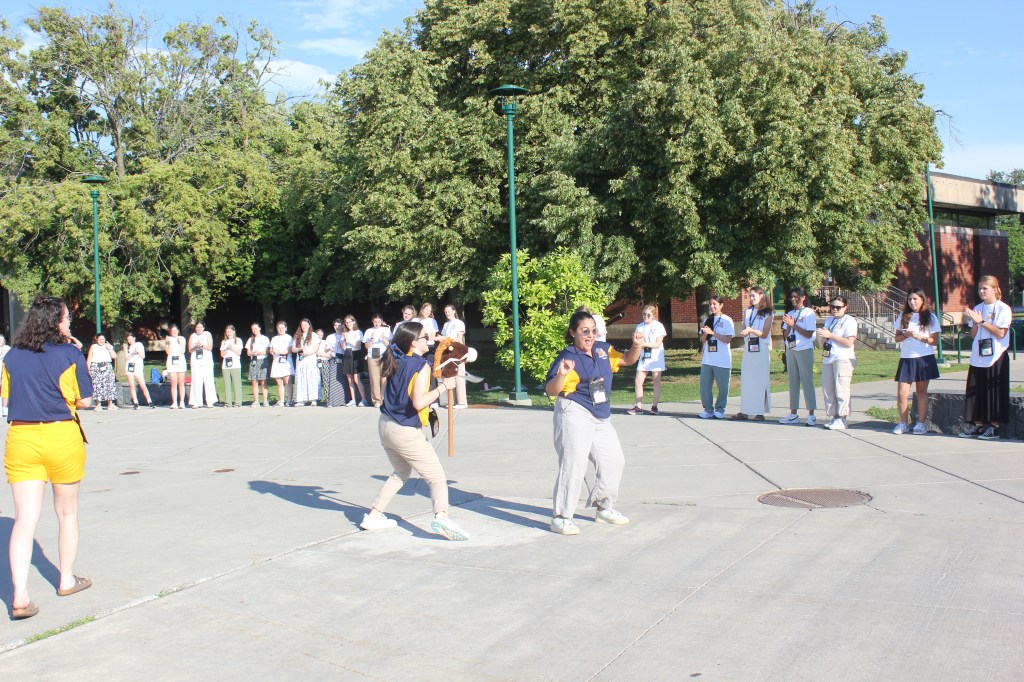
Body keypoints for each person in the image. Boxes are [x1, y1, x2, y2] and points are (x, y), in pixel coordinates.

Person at [2, 295, 94, 620]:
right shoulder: (70, 353)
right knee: (67, 512)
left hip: (22, 438)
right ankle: (66, 579)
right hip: (60, 435)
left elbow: (6, 396)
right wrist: (74, 351)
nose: (70, 323)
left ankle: (20, 596)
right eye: (67, 318)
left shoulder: (12, 356)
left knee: (24, 518)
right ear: (57, 321)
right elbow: (85, 400)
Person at [358, 322, 469, 541]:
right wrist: (443, 387)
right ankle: (442, 517)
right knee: (436, 477)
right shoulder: (421, 365)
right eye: (423, 337)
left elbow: (388, 391)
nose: (428, 338)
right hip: (405, 431)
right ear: (413, 343)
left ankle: (374, 516)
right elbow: (419, 402)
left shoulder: (395, 359)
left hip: (385, 425)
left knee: (401, 472)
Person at [544, 310, 644, 535]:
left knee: (614, 460)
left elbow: (627, 359)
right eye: (584, 331)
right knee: (574, 464)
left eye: (593, 331)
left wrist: (636, 345)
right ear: (573, 333)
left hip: (600, 414)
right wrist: (562, 374)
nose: (590, 335)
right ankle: (561, 517)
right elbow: (551, 390)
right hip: (574, 411)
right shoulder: (567, 356)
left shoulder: (602, 349)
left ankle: (603, 508)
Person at [960, 275, 1012, 440]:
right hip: (979, 355)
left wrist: (982, 321)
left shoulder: (1003, 308)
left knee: (993, 392)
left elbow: (1001, 333)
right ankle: (978, 424)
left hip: (996, 356)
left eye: (985, 288)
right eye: (979, 288)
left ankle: (994, 427)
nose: (981, 291)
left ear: (995, 289)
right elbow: (973, 334)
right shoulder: (978, 307)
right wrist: (975, 323)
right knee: (976, 392)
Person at [893, 288, 941, 435]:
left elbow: (935, 341)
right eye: (910, 299)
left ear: (922, 300)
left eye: (915, 299)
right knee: (902, 393)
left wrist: (919, 336)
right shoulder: (903, 316)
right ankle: (903, 423)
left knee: (921, 392)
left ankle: (920, 424)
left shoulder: (930, 317)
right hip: (906, 358)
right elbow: (897, 338)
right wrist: (906, 335)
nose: (912, 302)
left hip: (923, 357)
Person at [732, 287, 774, 421]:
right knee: (747, 379)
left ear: (761, 296)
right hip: (749, 348)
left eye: (753, 295)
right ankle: (745, 411)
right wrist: (746, 331)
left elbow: (765, 334)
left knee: (760, 380)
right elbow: (744, 327)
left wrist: (751, 330)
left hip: (761, 348)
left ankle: (759, 412)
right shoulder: (748, 311)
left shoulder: (768, 313)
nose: (751, 298)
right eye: (750, 296)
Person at [778, 287, 818, 426]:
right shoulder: (790, 313)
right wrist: (789, 326)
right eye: (792, 297)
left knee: (807, 381)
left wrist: (794, 324)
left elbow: (809, 334)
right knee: (793, 381)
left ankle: (811, 414)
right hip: (791, 349)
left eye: (796, 297)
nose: (793, 299)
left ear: (803, 297)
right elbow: (786, 334)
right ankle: (793, 413)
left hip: (804, 349)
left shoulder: (808, 313)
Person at [817, 295, 858, 430]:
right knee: (828, 388)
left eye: (838, 307)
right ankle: (834, 416)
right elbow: (825, 339)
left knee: (841, 388)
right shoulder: (830, 320)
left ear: (845, 308)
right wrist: (824, 336)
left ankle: (842, 418)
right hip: (829, 357)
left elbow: (849, 342)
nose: (835, 309)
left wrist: (830, 335)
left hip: (843, 358)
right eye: (832, 306)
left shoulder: (849, 321)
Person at [698, 295, 735, 419]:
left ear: (721, 305)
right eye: (710, 304)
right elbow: (703, 340)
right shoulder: (707, 320)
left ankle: (719, 409)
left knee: (723, 387)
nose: (712, 306)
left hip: (722, 360)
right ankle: (708, 410)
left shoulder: (727, 320)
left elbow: (728, 339)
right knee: (705, 387)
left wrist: (713, 333)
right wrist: (705, 334)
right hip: (708, 359)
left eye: (715, 304)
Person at [628, 305, 666, 416]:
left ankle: (654, 407)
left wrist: (644, 344)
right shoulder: (640, 327)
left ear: (653, 315)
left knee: (656, 381)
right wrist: (636, 341)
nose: (646, 316)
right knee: (638, 381)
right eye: (644, 314)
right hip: (644, 357)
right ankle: (638, 406)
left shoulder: (658, 326)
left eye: (648, 315)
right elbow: (637, 343)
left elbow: (658, 344)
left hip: (656, 357)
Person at [437, 304, 468, 409]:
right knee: (451, 375)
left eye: (449, 311)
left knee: (459, 375)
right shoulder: (446, 324)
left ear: (454, 311)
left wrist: (446, 339)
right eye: (445, 312)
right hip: (448, 352)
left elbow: (459, 338)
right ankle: (452, 401)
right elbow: (443, 338)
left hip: (458, 351)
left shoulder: (459, 323)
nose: (447, 313)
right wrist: (441, 339)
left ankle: (462, 402)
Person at [362, 313, 392, 408]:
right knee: (374, 379)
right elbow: (366, 346)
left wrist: (383, 338)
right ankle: (376, 400)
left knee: (384, 378)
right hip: (373, 355)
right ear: (372, 321)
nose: (377, 324)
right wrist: (372, 339)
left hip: (384, 355)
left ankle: (383, 398)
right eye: (375, 322)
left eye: (379, 322)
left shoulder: (386, 330)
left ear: (382, 321)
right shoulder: (369, 331)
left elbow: (389, 344)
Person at [188, 322, 217, 408]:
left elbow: (210, 347)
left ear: (203, 328)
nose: (199, 329)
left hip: (206, 361)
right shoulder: (193, 336)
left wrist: (202, 345)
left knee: (208, 381)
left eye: (201, 327)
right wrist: (196, 346)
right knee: (196, 382)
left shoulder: (207, 334)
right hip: (196, 362)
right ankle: (197, 402)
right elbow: (190, 350)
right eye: (197, 327)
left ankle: (210, 401)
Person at [292, 318, 321, 406]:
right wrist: (300, 349)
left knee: (312, 379)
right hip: (301, 361)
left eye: (305, 325)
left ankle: (313, 399)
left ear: (309, 325)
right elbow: (293, 349)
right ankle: (301, 399)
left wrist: (308, 353)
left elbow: (316, 348)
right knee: (301, 379)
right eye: (302, 325)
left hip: (310, 360)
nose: (304, 326)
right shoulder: (297, 336)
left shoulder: (313, 335)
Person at [86, 333, 118, 410]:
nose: (102, 341)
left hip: (107, 366)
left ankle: (110, 404)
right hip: (96, 366)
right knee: (97, 385)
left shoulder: (108, 346)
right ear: (97, 340)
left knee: (109, 384)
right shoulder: (93, 347)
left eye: (103, 339)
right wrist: (88, 369)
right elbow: (89, 359)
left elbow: (114, 356)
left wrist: (109, 348)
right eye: (100, 339)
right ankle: (98, 404)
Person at [341, 315, 368, 406]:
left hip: (356, 354)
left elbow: (357, 345)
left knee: (357, 379)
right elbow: (343, 347)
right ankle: (353, 400)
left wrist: (348, 339)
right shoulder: (345, 333)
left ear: (353, 322)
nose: (348, 324)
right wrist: (344, 340)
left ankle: (364, 399)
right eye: (346, 322)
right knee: (350, 379)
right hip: (347, 354)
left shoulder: (358, 332)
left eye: (349, 322)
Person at [124, 333, 154, 409]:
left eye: (131, 339)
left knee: (142, 384)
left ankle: (149, 401)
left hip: (138, 366)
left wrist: (136, 352)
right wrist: (132, 353)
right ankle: (136, 403)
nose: (130, 341)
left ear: (134, 338)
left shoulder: (139, 344)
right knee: (132, 385)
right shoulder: (127, 347)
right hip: (130, 366)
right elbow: (126, 358)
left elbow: (142, 356)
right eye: (128, 339)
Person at [322, 320, 348, 407]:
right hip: (334, 358)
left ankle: (344, 400)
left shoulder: (345, 335)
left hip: (345, 357)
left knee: (344, 379)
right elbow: (325, 349)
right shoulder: (330, 337)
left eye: (339, 325)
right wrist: (329, 348)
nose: (337, 327)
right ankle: (333, 401)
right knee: (334, 379)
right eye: (335, 325)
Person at [269, 321, 294, 406]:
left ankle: (289, 400)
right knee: (279, 382)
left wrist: (278, 351)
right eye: (279, 328)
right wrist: (272, 351)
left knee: (287, 381)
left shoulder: (289, 338)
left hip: (286, 361)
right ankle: (282, 400)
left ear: (286, 328)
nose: (281, 329)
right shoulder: (274, 338)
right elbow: (271, 349)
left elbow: (289, 350)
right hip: (277, 361)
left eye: (282, 328)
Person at [245, 323, 271, 408]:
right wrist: (253, 353)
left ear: (259, 328)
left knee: (263, 381)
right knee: (254, 381)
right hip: (254, 361)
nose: (254, 330)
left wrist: (259, 352)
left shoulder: (265, 338)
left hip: (263, 360)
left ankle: (265, 400)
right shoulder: (251, 339)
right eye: (253, 329)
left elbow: (267, 351)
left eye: (256, 328)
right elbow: (248, 353)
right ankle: (256, 401)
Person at [220, 325, 244, 408]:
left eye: (230, 331)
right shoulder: (224, 342)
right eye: (227, 332)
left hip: (235, 365)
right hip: (225, 365)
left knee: (236, 384)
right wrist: (227, 348)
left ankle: (237, 402)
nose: (228, 333)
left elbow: (239, 353)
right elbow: (222, 354)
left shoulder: (238, 340)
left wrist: (232, 348)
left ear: (233, 331)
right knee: (227, 385)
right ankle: (228, 402)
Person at [164, 325, 187, 409]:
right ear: (170, 331)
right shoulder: (168, 339)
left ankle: (182, 401)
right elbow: (168, 352)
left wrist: (180, 342)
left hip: (180, 361)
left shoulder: (182, 338)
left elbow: (183, 350)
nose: (174, 332)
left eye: (175, 330)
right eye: (172, 330)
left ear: (178, 331)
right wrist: (169, 343)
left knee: (181, 382)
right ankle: (174, 402)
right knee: (173, 382)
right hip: (171, 362)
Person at [0, 333, 10, 418]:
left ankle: (4, 409)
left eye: (1, 340)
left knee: (5, 389)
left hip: (4, 371)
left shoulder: (7, 349)